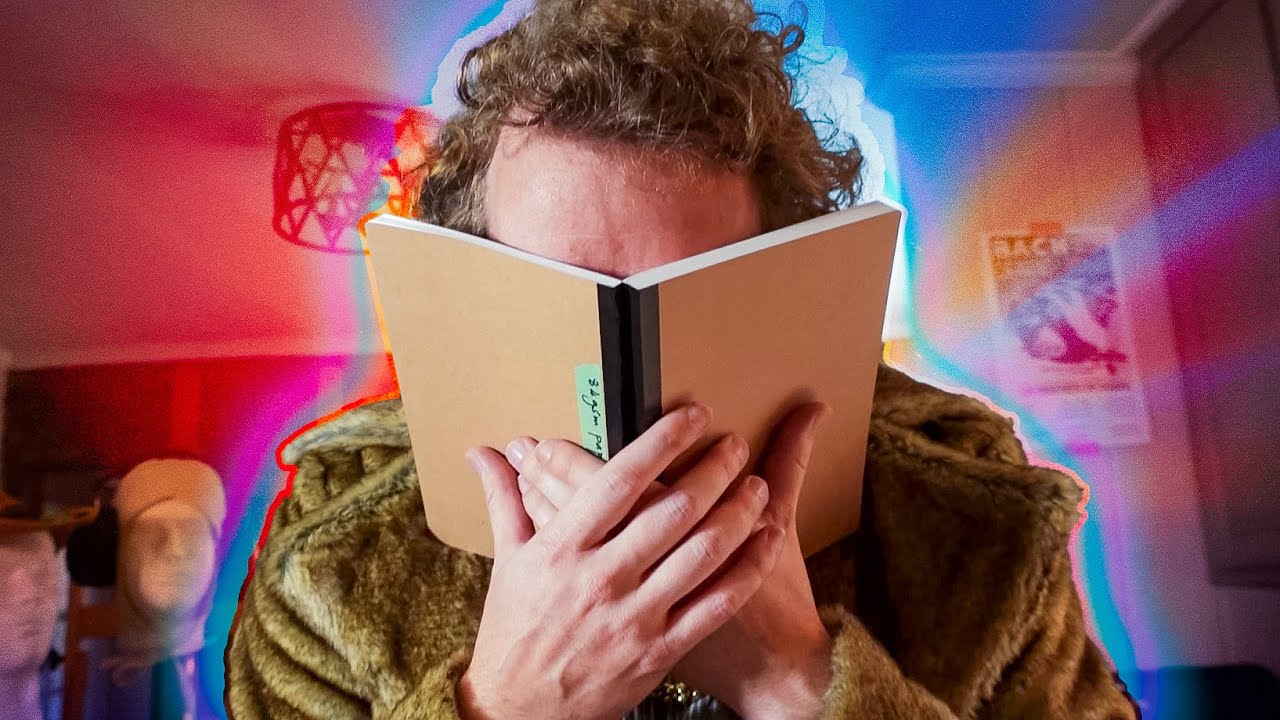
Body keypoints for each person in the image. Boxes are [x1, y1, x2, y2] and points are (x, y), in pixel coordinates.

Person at [225, 1, 1138, 718]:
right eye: (559, 293)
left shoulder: (980, 529)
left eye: (687, 295)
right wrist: (504, 705)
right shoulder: (329, 562)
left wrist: (799, 682)